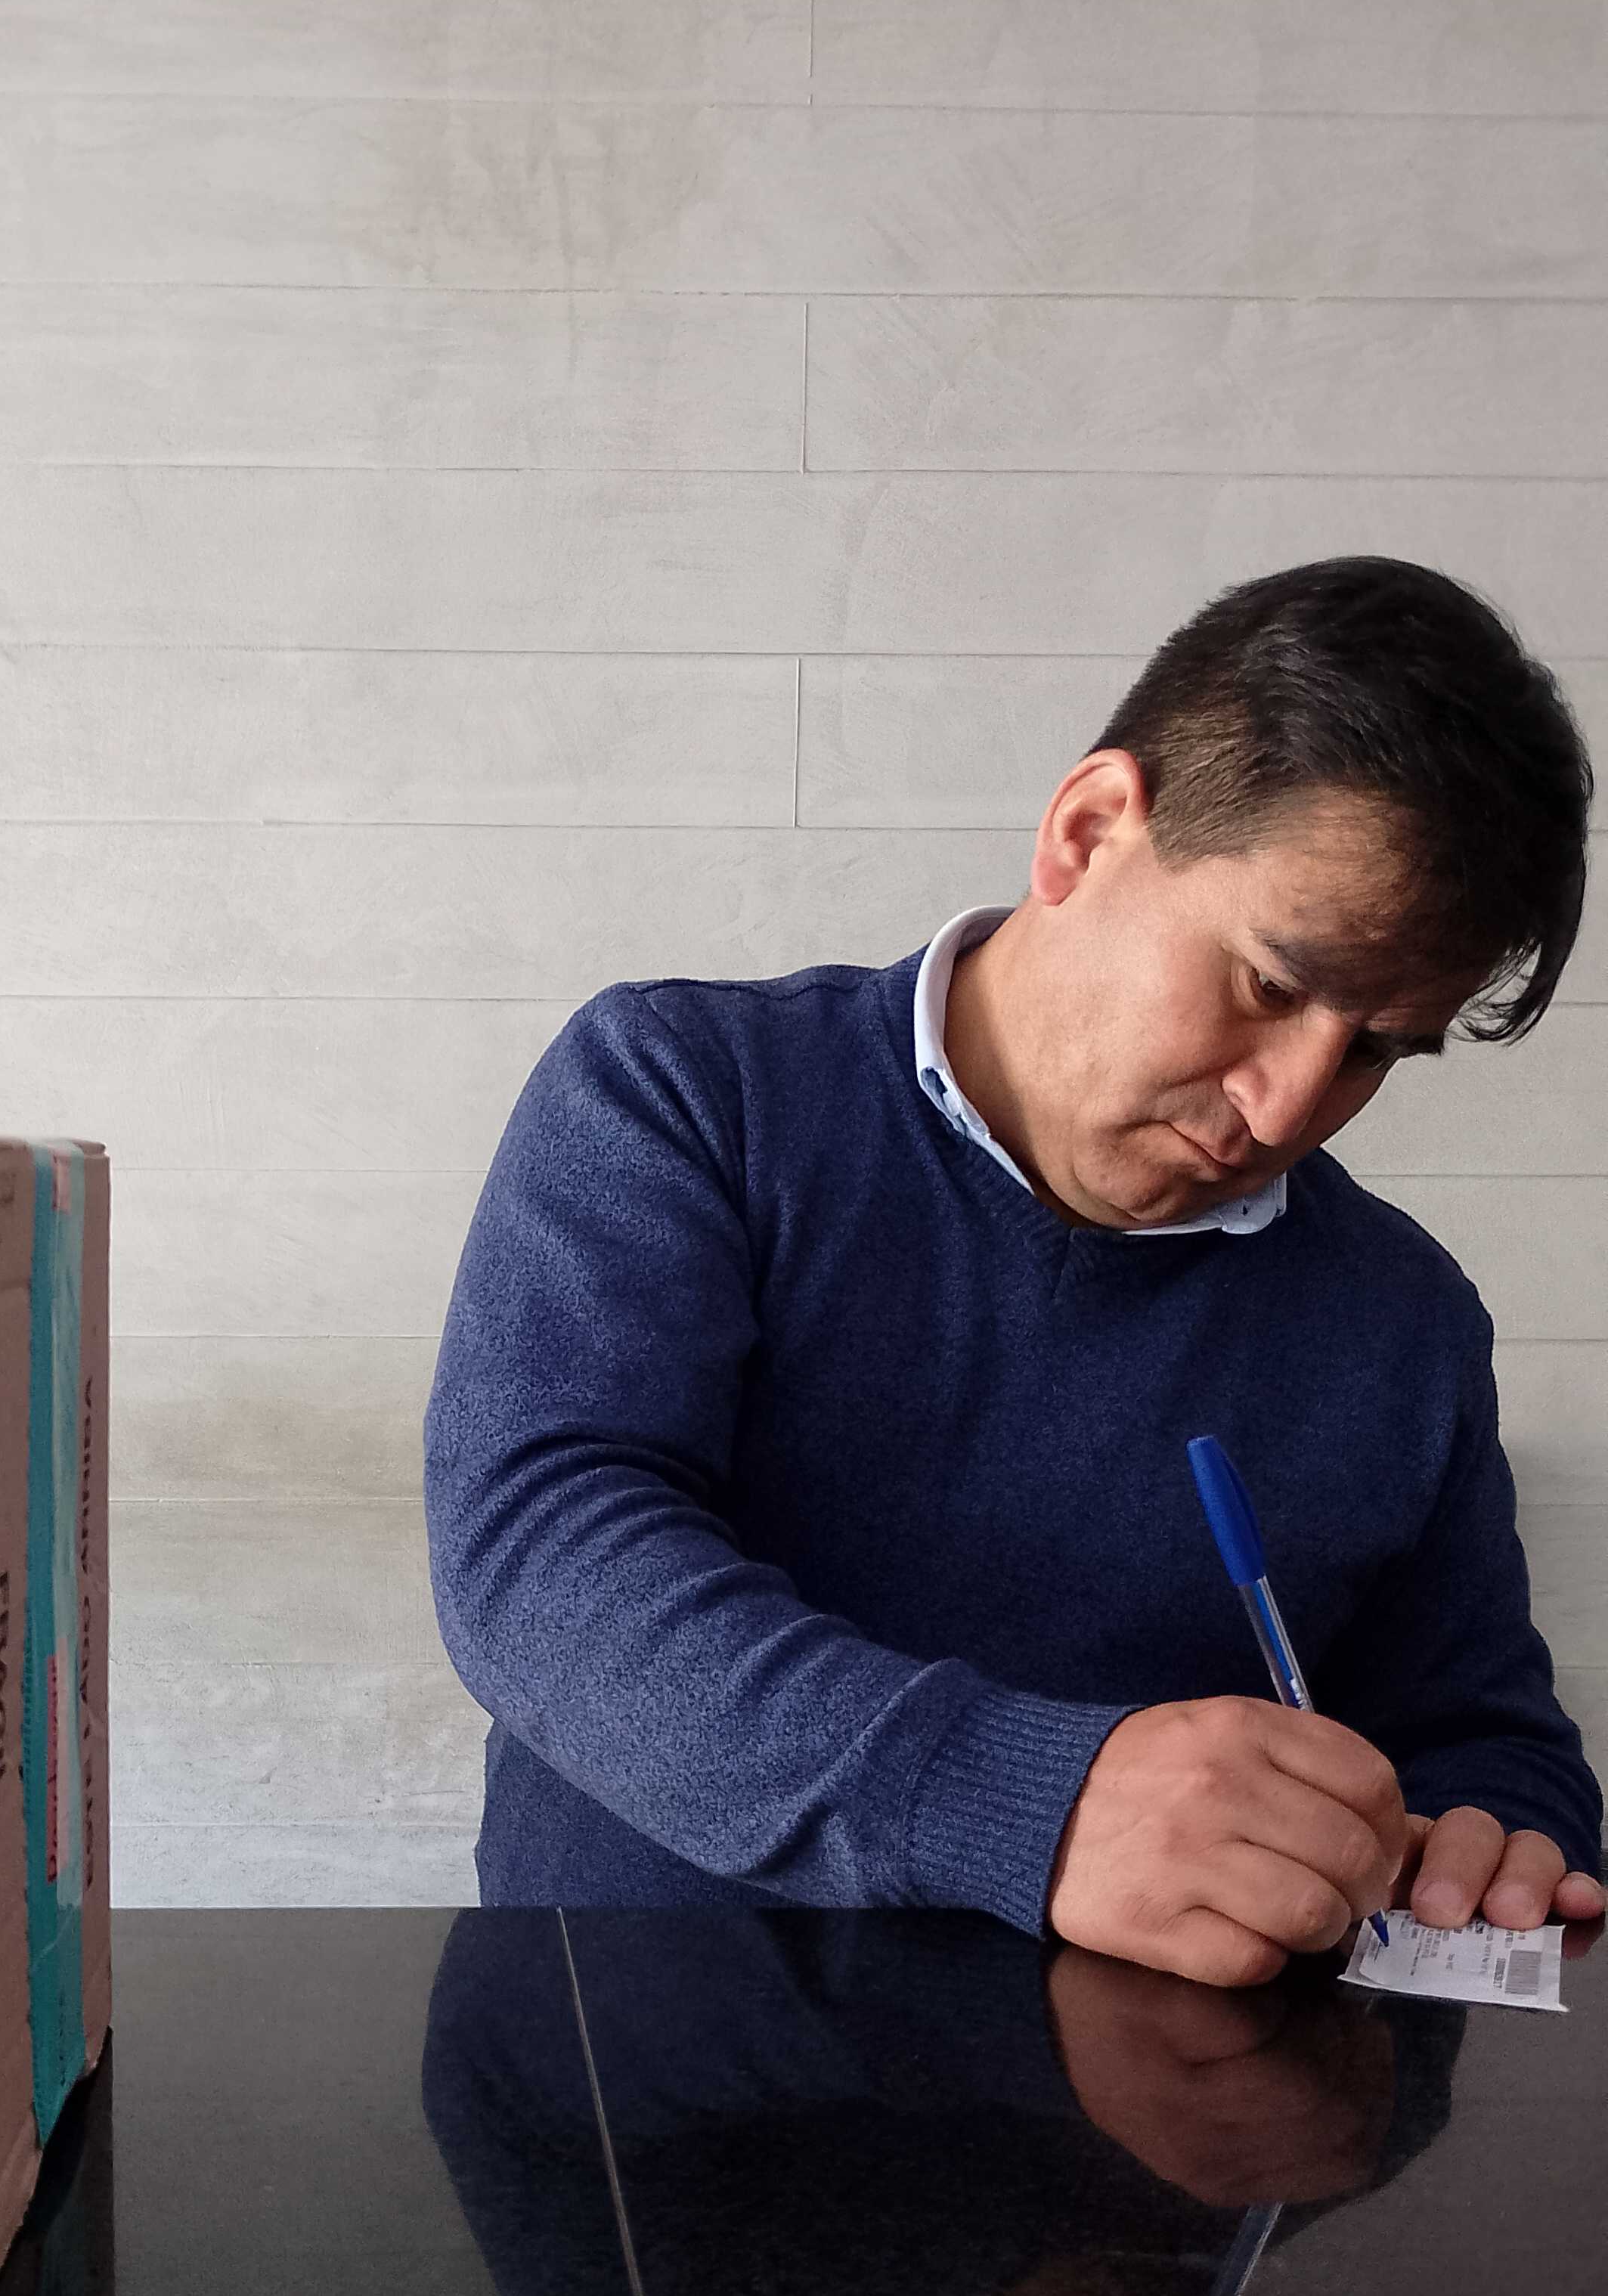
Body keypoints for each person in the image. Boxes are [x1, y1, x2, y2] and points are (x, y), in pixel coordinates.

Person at [423, 556, 1605, 1984]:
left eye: (1374, 1049)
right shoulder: (687, 1093)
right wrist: (1035, 1808)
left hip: (1164, 2109)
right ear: (1088, 831)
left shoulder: (1403, 1320)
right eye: (1273, 985)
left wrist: (1500, 1833)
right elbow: (538, 1561)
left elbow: (1478, 1733)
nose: (1289, 1106)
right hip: (630, 2061)